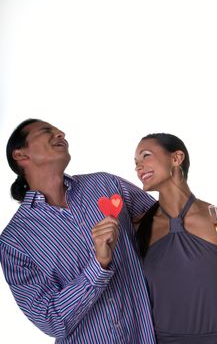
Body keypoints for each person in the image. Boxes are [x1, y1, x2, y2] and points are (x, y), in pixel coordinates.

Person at [0, 119, 156, 344]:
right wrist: (99, 264)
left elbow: (166, 226)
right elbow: (50, 320)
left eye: (58, 130)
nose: (61, 133)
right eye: (46, 131)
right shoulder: (14, 242)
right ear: (21, 155)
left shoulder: (106, 185)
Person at [134, 133, 217, 344]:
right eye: (136, 162)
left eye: (146, 156)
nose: (138, 167)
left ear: (177, 158)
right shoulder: (139, 227)